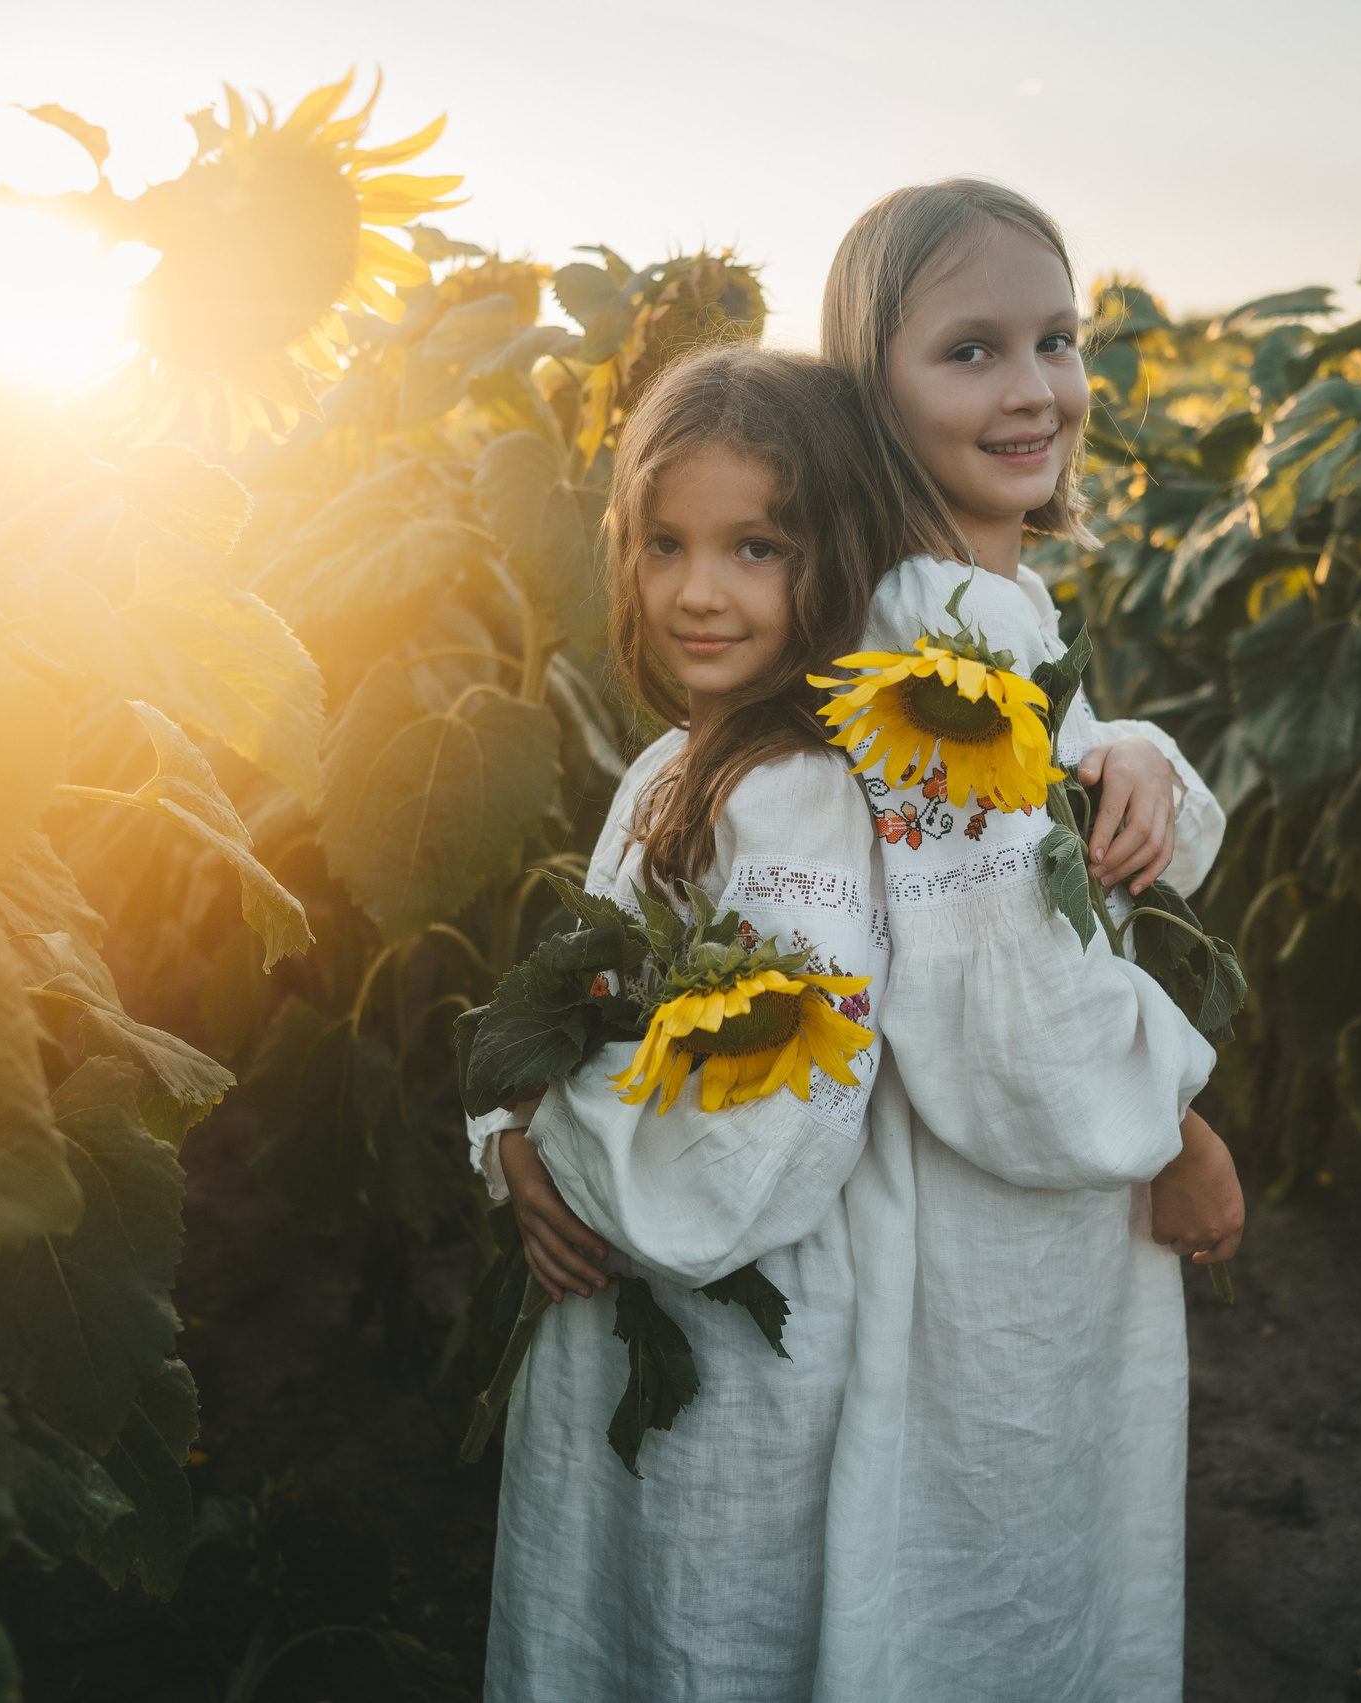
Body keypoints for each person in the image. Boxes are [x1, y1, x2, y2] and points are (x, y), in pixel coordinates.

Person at [813, 178, 1250, 1702]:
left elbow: (1033, 829)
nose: (1036, 388)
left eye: (1057, 339)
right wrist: (1172, 1130)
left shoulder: (981, 598)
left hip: (985, 1178)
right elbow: (999, 991)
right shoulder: (940, 640)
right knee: (997, 1545)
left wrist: (1113, 738)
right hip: (999, 1188)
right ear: (870, 390)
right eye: (972, 350)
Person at [469, 346, 902, 1702]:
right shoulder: (678, 763)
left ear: (833, 559)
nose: (697, 590)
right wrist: (507, 1137)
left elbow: (765, 1117)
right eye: (665, 543)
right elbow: (562, 1008)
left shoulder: (800, 800)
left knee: (707, 1628)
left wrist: (549, 1154)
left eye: (755, 546)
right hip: (631, 1290)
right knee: (621, 1609)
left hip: (730, 1321)